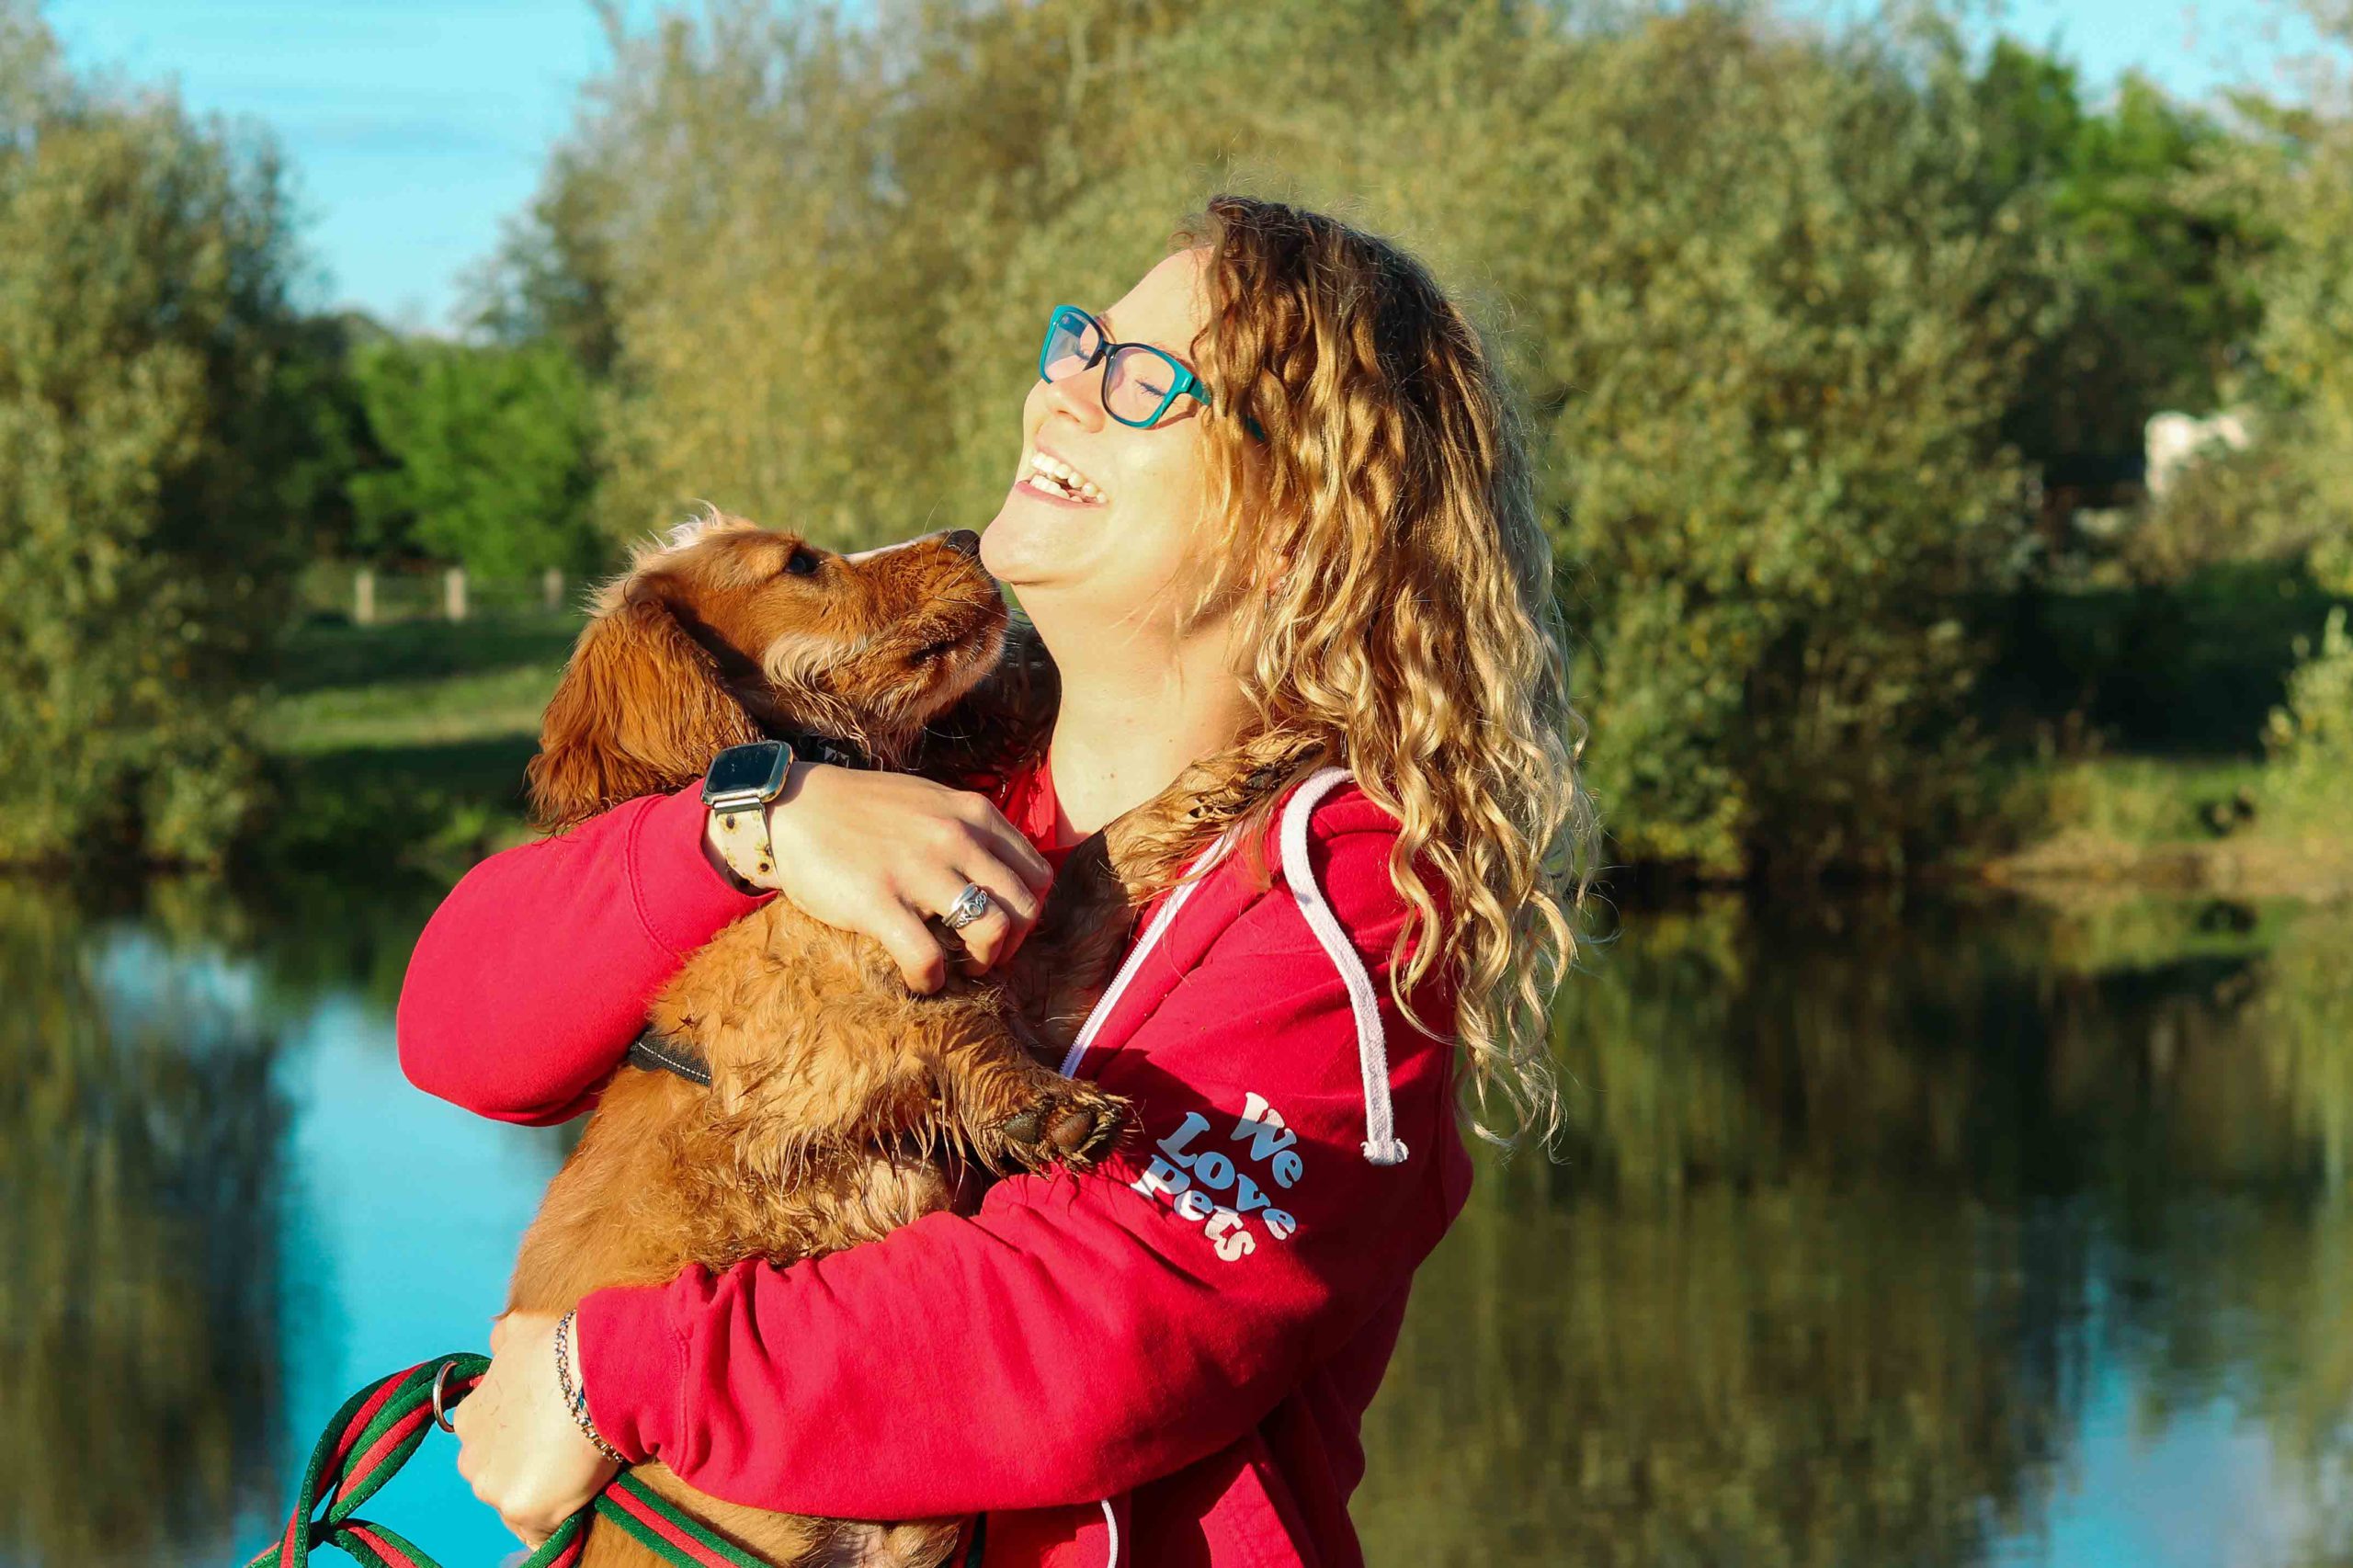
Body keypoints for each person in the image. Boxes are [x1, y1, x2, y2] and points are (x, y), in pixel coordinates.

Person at [397, 194, 1591, 1568]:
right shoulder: (905, 768)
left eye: (1144, 383)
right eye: (1079, 344)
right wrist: (749, 825)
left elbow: (1103, 1324)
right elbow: (458, 1032)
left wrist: (613, 1378)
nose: (1059, 395)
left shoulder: (1347, 893)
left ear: (1293, 527)